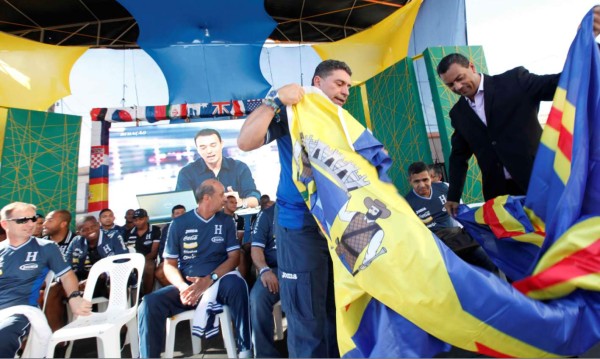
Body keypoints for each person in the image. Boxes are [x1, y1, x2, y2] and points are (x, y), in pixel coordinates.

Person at [238, 59, 354, 357]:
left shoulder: (343, 120)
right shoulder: (294, 112)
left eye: (348, 86)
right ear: (317, 82)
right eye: (339, 83)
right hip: (300, 225)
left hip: (337, 227)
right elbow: (245, 141)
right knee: (306, 318)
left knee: (336, 311)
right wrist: (275, 101)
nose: (345, 91)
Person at [438, 10, 600, 216]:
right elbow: (459, 157)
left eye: (460, 78)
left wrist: (585, 45)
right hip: (500, 198)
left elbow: (560, 84)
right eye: (450, 84)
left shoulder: (515, 81)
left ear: (471, 66)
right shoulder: (458, 114)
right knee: (515, 247)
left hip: (540, 185)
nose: (458, 86)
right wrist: (453, 196)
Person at [137, 179, 251, 358]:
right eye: (221, 195)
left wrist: (209, 279)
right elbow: (169, 265)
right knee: (149, 304)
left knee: (238, 286)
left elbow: (234, 258)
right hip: (188, 287)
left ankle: (245, 349)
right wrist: (184, 287)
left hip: (218, 281)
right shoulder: (179, 224)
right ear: (207, 198)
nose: (224, 199)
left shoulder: (226, 221)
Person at [0, 202, 91, 358]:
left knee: (2, 337)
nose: (30, 224)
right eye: (23, 220)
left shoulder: (46, 247)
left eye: (33, 219)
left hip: (20, 310)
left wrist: (74, 298)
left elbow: (67, 275)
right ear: (4, 224)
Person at [404, 162, 497, 273]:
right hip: (437, 248)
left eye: (425, 180)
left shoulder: (444, 187)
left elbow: (461, 213)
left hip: (459, 238)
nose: (422, 185)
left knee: (488, 261)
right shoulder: (406, 203)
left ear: (430, 177)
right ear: (410, 181)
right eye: (417, 181)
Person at [45, 215, 128, 332]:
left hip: (107, 280)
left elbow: (123, 262)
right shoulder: (76, 242)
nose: (90, 231)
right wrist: (71, 282)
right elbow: (65, 266)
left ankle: (120, 329)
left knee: (114, 282)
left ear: (99, 225)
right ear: (79, 232)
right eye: (85, 229)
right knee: (53, 289)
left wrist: (94, 279)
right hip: (81, 282)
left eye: (93, 226)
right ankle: (58, 339)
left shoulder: (113, 236)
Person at [175, 128, 261, 209]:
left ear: (221, 144)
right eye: (203, 147)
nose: (209, 151)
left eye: (213, 145)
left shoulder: (239, 168)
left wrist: (240, 202)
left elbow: (255, 199)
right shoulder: (186, 173)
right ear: (197, 149)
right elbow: (181, 206)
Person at [249, 199, 282, 358]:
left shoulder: (307, 208)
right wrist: (264, 269)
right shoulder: (267, 215)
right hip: (274, 271)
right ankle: (265, 354)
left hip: (303, 269)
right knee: (257, 298)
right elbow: (256, 249)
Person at [125, 209, 161, 296]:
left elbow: (154, 252)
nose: (138, 222)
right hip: (131, 261)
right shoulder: (128, 233)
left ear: (147, 218)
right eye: (135, 220)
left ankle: (146, 296)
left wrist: (141, 261)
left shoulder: (155, 230)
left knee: (148, 266)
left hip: (148, 259)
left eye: (141, 219)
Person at [155, 204, 186, 287]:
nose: (181, 215)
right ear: (172, 216)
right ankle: (177, 293)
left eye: (183, 213)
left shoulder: (193, 225)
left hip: (190, 258)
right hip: (173, 259)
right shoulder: (167, 228)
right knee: (159, 272)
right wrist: (164, 262)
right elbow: (163, 248)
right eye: (177, 213)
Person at [223, 195, 250, 280]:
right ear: (224, 203)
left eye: (236, 203)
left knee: (243, 250)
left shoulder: (240, 219)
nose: (234, 204)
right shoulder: (217, 217)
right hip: (219, 247)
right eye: (231, 202)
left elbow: (238, 239)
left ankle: (244, 281)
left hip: (234, 246)